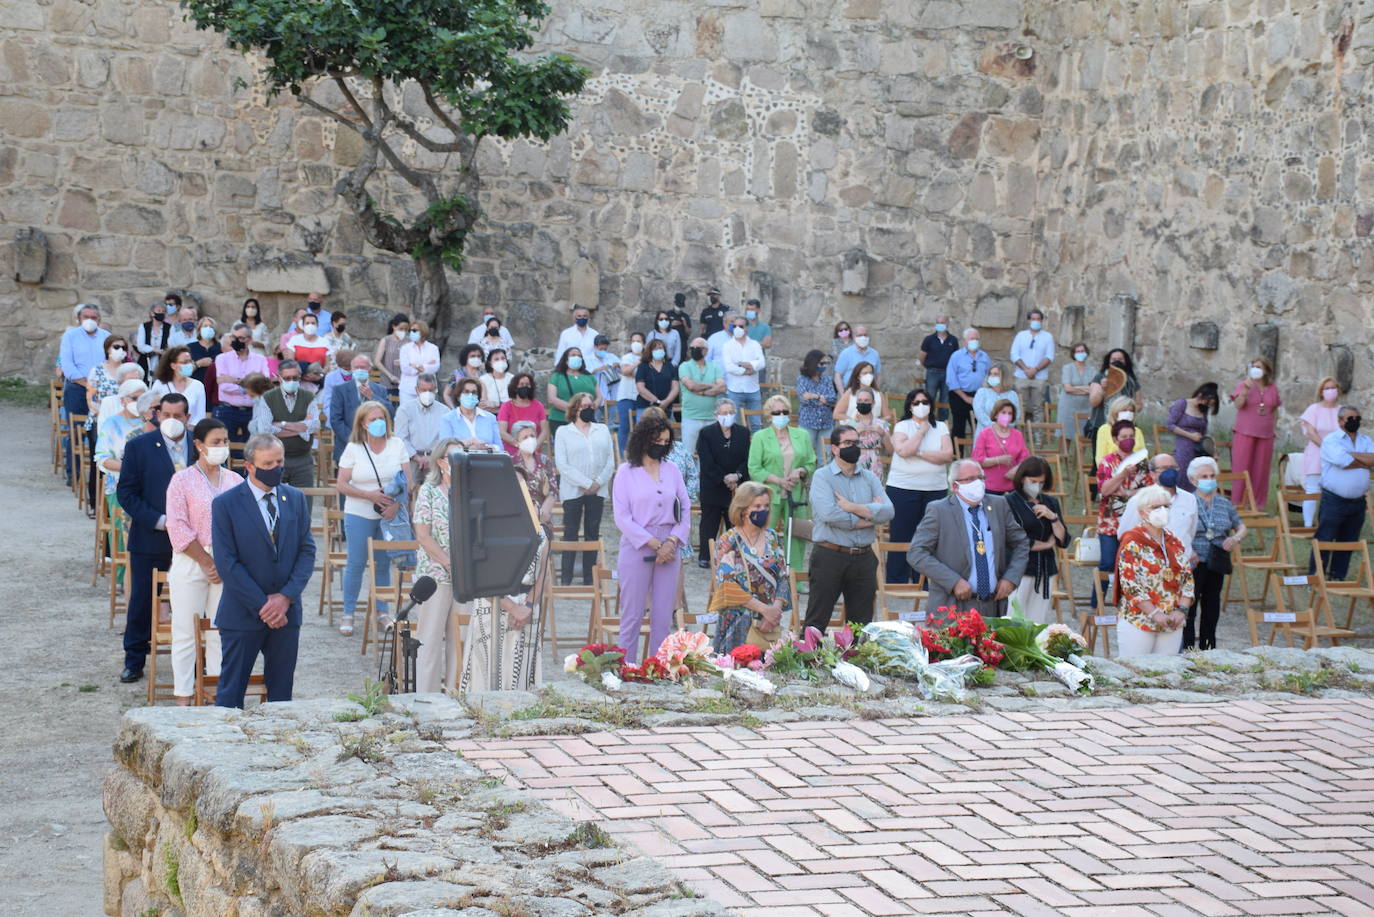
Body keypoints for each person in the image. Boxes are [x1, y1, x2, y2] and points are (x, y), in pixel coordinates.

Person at [210, 433, 315, 706]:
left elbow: (307, 551)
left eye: (279, 462)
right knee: (231, 693)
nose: (276, 469)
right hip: (242, 614)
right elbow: (227, 562)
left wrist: (285, 598)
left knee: (282, 696)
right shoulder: (226, 504)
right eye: (268, 464)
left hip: (286, 614)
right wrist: (263, 605)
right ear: (249, 466)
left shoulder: (295, 498)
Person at [115, 392, 193, 682]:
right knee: (143, 600)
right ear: (158, 414)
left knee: (193, 597)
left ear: (187, 417)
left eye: (178, 416)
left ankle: (197, 659)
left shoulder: (200, 444)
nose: (172, 421)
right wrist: (160, 521)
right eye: (166, 415)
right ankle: (134, 659)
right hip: (152, 535)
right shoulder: (139, 446)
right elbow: (127, 493)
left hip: (194, 538)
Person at [164, 419, 239, 704]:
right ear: (198, 445)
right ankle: (184, 697)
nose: (222, 447)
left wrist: (225, 561)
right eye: (216, 442)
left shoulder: (234, 480)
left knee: (222, 630)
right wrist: (207, 562)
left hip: (227, 561)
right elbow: (178, 526)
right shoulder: (181, 480)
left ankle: (220, 694)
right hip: (191, 559)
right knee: (185, 630)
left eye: (225, 441)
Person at [611, 413, 691, 662]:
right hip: (638, 545)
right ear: (644, 440)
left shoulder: (673, 470)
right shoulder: (626, 472)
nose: (661, 446)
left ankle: (659, 666)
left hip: (670, 545)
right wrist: (653, 543)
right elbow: (622, 516)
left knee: (663, 613)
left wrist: (671, 541)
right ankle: (626, 666)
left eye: (666, 442)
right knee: (633, 613)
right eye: (657, 441)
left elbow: (685, 509)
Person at [908, 459, 1030, 616]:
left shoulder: (999, 505)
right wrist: (953, 581)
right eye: (971, 479)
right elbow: (916, 553)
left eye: (981, 477)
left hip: (992, 606)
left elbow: (1021, 543)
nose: (978, 483)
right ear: (955, 486)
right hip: (952, 606)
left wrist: (1011, 578)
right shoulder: (938, 510)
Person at [456, 492, 551, 694]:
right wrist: (512, 607)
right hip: (493, 603)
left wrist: (526, 607)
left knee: (522, 669)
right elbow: (481, 577)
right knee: (488, 667)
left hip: (527, 605)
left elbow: (541, 574)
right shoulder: (487, 529)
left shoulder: (541, 533)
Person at [803, 426, 895, 631]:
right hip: (830, 555)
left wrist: (853, 508)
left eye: (856, 443)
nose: (853, 447)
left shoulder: (869, 478)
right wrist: (867, 517)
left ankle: (856, 662)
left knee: (861, 625)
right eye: (847, 443)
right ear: (835, 448)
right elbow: (829, 514)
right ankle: (809, 662)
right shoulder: (822, 476)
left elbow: (888, 511)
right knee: (817, 621)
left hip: (863, 557)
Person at [335, 401, 411, 636]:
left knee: (383, 563)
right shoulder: (354, 448)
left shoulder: (397, 444)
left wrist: (395, 505)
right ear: (363, 424)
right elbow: (342, 484)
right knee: (356, 563)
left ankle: (382, 611)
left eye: (382, 418)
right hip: (359, 511)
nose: (379, 423)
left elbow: (409, 480)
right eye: (373, 419)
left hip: (389, 513)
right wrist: (368, 495)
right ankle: (348, 613)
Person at [711, 481, 792, 653]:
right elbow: (726, 585)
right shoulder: (729, 540)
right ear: (743, 509)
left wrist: (774, 612)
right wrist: (764, 610)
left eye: (766, 506)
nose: (763, 510)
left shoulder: (772, 538)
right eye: (757, 506)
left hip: (768, 626)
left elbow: (783, 577)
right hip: (737, 624)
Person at [411, 436, 465, 694]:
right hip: (435, 576)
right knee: (430, 640)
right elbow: (423, 535)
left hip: (466, 577)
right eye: (456, 456)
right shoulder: (428, 491)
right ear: (442, 462)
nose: (461, 461)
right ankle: (427, 698)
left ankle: (458, 694)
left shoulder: (470, 491)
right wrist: (447, 562)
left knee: (461, 640)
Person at [1114, 484, 1192, 656]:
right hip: (1139, 620)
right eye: (1156, 507)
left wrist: (1182, 610)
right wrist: (1155, 614)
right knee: (1134, 675)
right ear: (1143, 512)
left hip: (1172, 620)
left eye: (1166, 506)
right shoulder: (1133, 542)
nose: (1162, 510)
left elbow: (1187, 579)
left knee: (1167, 675)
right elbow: (1131, 585)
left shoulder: (1174, 541)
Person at [886, 389, 953, 584]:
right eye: (916, 402)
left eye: (925, 402)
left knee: (929, 536)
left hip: (935, 488)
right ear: (909, 406)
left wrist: (921, 452)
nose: (921, 406)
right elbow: (904, 451)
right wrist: (922, 432)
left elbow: (947, 456)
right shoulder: (902, 426)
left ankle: (923, 580)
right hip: (903, 487)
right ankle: (896, 579)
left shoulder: (941, 427)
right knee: (901, 534)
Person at [749, 394, 817, 567]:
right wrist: (779, 481)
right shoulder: (760, 437)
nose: (781, 416)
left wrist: (801, 471)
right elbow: (754, 468)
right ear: (769, 415)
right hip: (769, 494)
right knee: (764, 534)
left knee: (797, 535)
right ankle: (763, 575)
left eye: (784, 412)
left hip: (796, 494)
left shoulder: (801, 435)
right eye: (776, 412)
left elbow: (811, 462)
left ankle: (795, 577)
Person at [1184, 457, 1246, 650]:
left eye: (1212, 475)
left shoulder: (1224, 503)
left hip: (1217, 560)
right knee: (1190, 604)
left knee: (1212, 605)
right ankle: (1187, 646)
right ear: (1194, 480)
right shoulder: (1187, 502)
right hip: (1194, 561)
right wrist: (1188, 549)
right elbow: (1178, 531)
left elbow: (1241, 527)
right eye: (1204, 476)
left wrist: (1234, 539)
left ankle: (1208, 645)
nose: (1209, 479)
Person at [554, 392, 615, 585]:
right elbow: (563, 465)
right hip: (573, 490)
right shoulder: (563, 432)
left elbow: (610, 461)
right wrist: (586, 483)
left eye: (591, 406)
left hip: (598, 489)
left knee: (592, 531)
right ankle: (566, 577)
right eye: (584, 406)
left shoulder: (602, 429)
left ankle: (590, 576)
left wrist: (597, 483)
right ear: (575, 409)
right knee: (570, 532)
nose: (589, 409)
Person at [1310, 405, 1374, 580]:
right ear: (1340, 421)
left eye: (1357, 419)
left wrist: (1352, 455)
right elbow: (1341, 461)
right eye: (1350, 418)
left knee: (1348, 542)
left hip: (1358, 502)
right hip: (1334, 500)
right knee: (1324, 539)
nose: (1355, 422)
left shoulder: (1366, 440)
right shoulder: (1331, 440)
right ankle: (1315, 577)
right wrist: (1364, 460)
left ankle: (1338, 577)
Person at [1095, 419, 1154, 606]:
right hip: (1110, 522)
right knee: (1107, 563)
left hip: (1136, 522)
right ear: (1115, 439)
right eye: (1124, 437)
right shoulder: (1107, 462)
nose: (1128, 440)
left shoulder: (1142, 463)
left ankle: (1127, 600)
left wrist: (1128, 493)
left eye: (1131, 436)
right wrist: (1122, 475)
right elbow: (1104, 490)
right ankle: (1097, 601)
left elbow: (1150, 490)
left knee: (1132, 563)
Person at [1005, 457, 1068, 624]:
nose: (1037, 486)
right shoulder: (1009, 501)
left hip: (1045, 569)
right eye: (1033, 481)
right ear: (1022, 478)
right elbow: (1015, 540)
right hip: (1019, 570)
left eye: (1041, 482)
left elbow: (1063, 539)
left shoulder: (1050, 502)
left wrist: (1052, 517)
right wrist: (1046, 545)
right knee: (1013, 620)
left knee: (1037, 622)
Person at [95, 379, 150, 569]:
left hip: (149, 485)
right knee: (121, 530)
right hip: (119, 483)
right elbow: (102, 458)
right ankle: (121, 576)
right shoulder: (112, 423)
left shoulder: (150, 422)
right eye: (135, 398)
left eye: (144, 398)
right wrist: (128, 469)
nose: (140, 402)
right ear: (124, 400)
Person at [60, 304, 111, 490]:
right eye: (86, 316)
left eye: (94, 317)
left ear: (99, 319)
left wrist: (97, 385)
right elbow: (67, 364)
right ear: (79, 319)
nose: (90, 319)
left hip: (101, 391)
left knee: (99, 433)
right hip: (77, 389)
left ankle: (99, 475)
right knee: (77, 432)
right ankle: (73, 473)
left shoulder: (106, 337)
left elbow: (109, 361)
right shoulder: (70, 336)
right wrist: (86, 383)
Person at [697, 397, 752, 569]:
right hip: (713, 485)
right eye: (724, 413)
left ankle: (733, 555)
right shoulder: (706, 433)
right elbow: (706, 461)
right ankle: (706, 555)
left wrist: (737, 476)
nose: (727, 416)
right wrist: (724, 478)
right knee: (709, 522)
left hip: (736, 487)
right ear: (716, 415)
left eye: (731, 412)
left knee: (734, 522)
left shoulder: (743, 432)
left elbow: (747, 459)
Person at [249, 360, 317, 493]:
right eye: (287, 378)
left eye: (295, 378)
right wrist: (300, 427)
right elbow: (265, 430)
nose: (291, 381)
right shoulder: (268, 398)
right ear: (279, 378)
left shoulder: (309, 397)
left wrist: (282, 424)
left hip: (303, 460)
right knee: (275, 505)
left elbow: (313, 426)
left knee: (304, 505)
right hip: (274, 461)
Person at [1119, 454, 1199, 556]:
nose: (1170, 472)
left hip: (1182, 564)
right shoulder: (1139, 500)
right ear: (1152, 474)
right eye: (1164, 468)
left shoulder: (1189, 499)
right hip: (1151, 564)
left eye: (1173, 468)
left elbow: (1191, 532)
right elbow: (1125, 533)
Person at [1230, 356, 1281, 511]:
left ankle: (1258, 504)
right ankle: (1238, 502)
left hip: (1265, 433)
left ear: (1266, 370)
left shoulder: (1272, 387)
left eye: (1259, 366)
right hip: (1245, 431)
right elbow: (1238, 405)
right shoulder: (1243, 384)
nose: (1256, 369)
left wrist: (1275, 427)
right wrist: (1245, 390)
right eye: (1254, 366)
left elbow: (1275, 409)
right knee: (1242, 467)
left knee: (1261, 469)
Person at [329, 355, 393, 465]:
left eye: (362, 367)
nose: (359, 370)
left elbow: (391, 413)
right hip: (348, 445)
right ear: (352, 369)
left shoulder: (380, 390)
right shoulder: (340, 390)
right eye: (356, 367)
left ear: (370, 369)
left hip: (376, 445)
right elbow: (336, 420)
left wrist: (373, 397)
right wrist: (355, 440)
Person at [213, 323, 269, 443]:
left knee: (255, 447)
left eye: (241, 338)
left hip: (253, 410)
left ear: (250, 340)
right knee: (225, 449)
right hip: (228, 410)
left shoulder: (260, 359)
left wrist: (236, 381)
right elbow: (224, 386)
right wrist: (251, 385)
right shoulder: (222, 358)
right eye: (234, 337)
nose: (236, 341)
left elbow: (263, 385)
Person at [1298, 377, 1343, 526]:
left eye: (1333, 387)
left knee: (1334, 491)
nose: (1330, 391)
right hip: (1317, 453)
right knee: (1312, 489)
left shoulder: (1341, 411)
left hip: (1336, 455)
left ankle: (1328, 523)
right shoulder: (1314, 409)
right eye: (1327, 388)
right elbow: (1311, 432)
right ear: (1321, 391)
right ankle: (1308, 524)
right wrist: (1326, 448)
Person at [395, 373, 451, 486]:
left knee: (436, 493)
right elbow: (400, 437)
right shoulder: (405, 410)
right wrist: (417, 457)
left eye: (430, 390)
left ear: (436, 390)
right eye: (423, 390)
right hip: (411, 460)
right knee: (410, 493)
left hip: (436, 459)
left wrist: (432, 458)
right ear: (417, 390)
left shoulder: (445, 411)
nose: (427, 393)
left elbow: (446, 439)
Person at [1165, 382, 1219, 493]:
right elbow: (1170, 424)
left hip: (1199, 448)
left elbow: (1204, 431)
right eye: (1207, 402)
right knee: (1182, 472)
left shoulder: (1203, 410)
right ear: (1201, 395)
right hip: (1184, 444)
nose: (1207, 405)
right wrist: (1190, 435)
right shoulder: (1182, 404)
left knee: (1197, 473)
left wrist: (1209, 442)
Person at [678, 336, 725, 454]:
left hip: (711, 418)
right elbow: (691, 386)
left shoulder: (714, 367)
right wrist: (711, 385)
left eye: (697, 348)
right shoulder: (685, 366)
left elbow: (722, 387)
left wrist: (702, 391)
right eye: (692, 348)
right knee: (688, 453)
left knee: (711, 452)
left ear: (706, 351)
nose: (694, 350)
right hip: (691, 417)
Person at [973, 398, 1030, 495]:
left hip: (1013, 486)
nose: (1006, 416)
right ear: (996, 414)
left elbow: (1025, 458)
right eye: (1003, 412)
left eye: (1010, 413)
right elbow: (977, 460)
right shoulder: (984, 434)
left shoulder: (1017, 434)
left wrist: (1017, 470)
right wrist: (998, 460)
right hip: (990, 487)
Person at [1009, 309, 1054, 424]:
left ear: (1042, 321)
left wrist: (1035, 370)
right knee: (1020, 407)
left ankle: (1037, 438)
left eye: (1038, 319)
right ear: (1029, 320)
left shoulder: (1048, 337)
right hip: (1021, 376)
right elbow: (1014, 354)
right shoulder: (1021, 335)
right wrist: (1025, 369)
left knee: (1038, 408)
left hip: (1039, 377)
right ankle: (1020, 435)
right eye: (1033, 319)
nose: (1036, 321)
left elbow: (1049, 357)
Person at [1088, 348, 1143, 442]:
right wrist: (1103, 389)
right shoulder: (1100, 377)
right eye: (1113, 359)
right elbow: (1093, 402)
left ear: (1126, 361)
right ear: (1108, 362)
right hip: (1101, 424)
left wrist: (1126, 412)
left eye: (1120, 359)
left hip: (1126, 428)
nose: (1117, 361)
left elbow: (1139, 404)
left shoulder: (1132, 380)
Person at [945, 327, 990, 442]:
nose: (974, 341)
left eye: (977, 339)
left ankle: (979, 454)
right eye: (971, 339)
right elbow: (951, 379)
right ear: (965, 341)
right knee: (959, 427)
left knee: (979, 425)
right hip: (959, 395)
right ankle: (958, 454)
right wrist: (965, 397)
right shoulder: (956, 356)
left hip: (978, 395)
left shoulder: (984, 357)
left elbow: (989, 375)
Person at [511, 421, 559, 525]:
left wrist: (543, 512)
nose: (530, 440)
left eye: (532, 436)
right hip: (518, 518)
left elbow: (553, 490)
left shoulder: (545, 460)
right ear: (516, 442)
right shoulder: (510, 464)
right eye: (525, 437)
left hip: (543, 518)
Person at [722, 314, 766, 428]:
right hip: (734, 389)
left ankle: (756, 445)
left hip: (753, 389)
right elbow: (729, 367)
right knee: (733, 423)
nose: (737, 329)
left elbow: (762, 363)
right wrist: (747, 371)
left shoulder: (755, 344)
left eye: (740, 326)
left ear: (747, 328)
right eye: (735, 326)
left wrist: (748, 364)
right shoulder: (727, 346)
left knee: (756, 423)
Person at [438, 377, 503, 452]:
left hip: (487, 461)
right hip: (460, 462)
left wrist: (485, 447)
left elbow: (500, 447)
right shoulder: (448, 419)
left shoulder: (490, 418)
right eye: (466, 392)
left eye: (474, 392)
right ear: (459, 396)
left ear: (478, 396)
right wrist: (468, 444)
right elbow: (444, 448)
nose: (470, 395)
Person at [796, 349, 838, 459]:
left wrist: (815, 396)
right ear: (813, 363)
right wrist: (821, 398)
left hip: (826, 423)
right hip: (808, 423)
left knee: (826, 456)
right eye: (822, 363)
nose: (824, 366)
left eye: (826, 363)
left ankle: (822, 476)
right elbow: (804, 399)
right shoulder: (802, 379)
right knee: (805, 455)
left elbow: (833, 398)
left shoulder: (827, 380)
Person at [546, 346, 598, 436]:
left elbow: (599, 396)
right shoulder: (557, 376)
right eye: (573, 355)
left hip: (587, 420)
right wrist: (575, 409)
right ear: (566, 359)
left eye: (579, 356)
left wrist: (594, 405)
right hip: (561, 420)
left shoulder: (590, 377)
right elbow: (552, 398)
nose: (576, 357)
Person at [150, 346, 208, 424]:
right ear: (173, 365)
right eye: (185, 362)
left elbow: (200, 415)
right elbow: (153, 410)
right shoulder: (159, 384)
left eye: (190, 361)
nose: (189, 365)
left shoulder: (198, 385)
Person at [498, 373, 549, 456]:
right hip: (512, 453)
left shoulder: (538, 405)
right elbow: (502, 432)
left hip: (533, 452)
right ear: (515, 387)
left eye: (527, 384)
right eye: (521, 384)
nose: (524, 387)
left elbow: (544, 431)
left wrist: (536, 445)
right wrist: (519, 445)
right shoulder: (506, 406)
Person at [919, 316, 959, 421]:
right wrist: (929, 367)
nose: (940, 324)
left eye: (943, 322)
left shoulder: (953, 340)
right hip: (932, 373)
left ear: (947, 324)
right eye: (938, 322)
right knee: (929, 398)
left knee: (945, 400)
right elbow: (922, 357)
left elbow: (956, 358)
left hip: (948, 374)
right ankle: (929, 420)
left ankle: (942, 423)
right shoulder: (928, 339)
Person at [614, 333, 646, 452]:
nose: (636, 344)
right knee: (625, 428)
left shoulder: (648, 359)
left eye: (639, 341)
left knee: (641, 429)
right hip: (626, 396)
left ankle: (638, 455)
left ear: (644, 344)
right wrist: (638, 362)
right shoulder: (627, 357)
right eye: (633, 341)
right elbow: (625, 371)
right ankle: (621, 457)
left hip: (642, 397)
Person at [849, 389, 891, 481]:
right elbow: (843, 448)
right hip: (854, 464)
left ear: (873, 403)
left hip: (875, 465)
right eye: (859, 401)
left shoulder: (882, 424)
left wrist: (882, 433)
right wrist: (855, 433)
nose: (863, 403)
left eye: (866, 400)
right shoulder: (849, 424)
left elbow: (891, 450)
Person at [399, 320, 441, 405]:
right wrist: (426, 366)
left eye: (414, 330)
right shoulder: (405, 348)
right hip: (408, 389)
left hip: (428, 389)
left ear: (422, 331)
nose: (411, 332)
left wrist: (415, 366)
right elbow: (405, 368)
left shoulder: (433, 348)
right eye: (410, 330)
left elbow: (435, 367)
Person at [972, 362, 1020, 437]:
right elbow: (980, 414)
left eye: (995, 374)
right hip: (985, 435)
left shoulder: (1012, 395)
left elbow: (1016, 415)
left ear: (1004, 377)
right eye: (990, 374)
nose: (992, 376)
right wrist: (996, 428)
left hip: (1006, 435)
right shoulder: (982, 392)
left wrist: (1005, 427)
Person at [1058, 342, 1094, 440]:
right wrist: (1085, 389)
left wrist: (1077, 388)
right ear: (1073, 354)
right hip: (1068, 407)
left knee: (1082, 436)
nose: (1080, 353)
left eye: (1082, 351)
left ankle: (1077, 456)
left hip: (1085, 407)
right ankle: (1063, 455)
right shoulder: (1068, 368)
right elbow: (1067, 388)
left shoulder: (1092, 369)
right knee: (1066, 436)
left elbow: (1093, 388)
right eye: (1077, 351)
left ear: (1086, 352)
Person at [635, 338, 679, 417]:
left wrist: (666, 401)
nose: (658, 350)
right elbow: (640, 388)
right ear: (650, 351)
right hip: (646, 407)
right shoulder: (643, 366)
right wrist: (657, 401)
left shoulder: (670, 366)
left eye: (660, 348)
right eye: (655, 349)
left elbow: (675, 387)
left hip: (666, 408)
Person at [833, 325, 882, 394]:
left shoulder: (874, 354)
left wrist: (876, 392)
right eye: (860, 335)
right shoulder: (846, 353)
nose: (863, 337)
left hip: (869, 393)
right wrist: (843, 394)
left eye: (865, 335)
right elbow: (837, 376)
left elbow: (878, 375)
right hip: (850, 392)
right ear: (854, 336)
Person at [1093, 395, 1139, 465]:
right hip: (1112, 470)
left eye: (1131, 411)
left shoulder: (1137, 431)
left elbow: (1143, 455)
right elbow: (1100, 458)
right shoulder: (1104, 430)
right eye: (1124, 410)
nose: (1128, 413)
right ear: (1115, 412)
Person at [373, 313, 410, 399]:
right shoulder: (386, 340)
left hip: (404, 384)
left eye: (406, 329)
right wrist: (390, 376)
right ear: (394, 326)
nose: (403, 331)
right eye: (401, 329)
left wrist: (404, 362)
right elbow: (377, 361)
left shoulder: (409, 342)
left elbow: (414, 361)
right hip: (386, 382)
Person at [134, 301, 171, 377]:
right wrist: (154, 350)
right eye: (159, 311)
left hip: (163, 361)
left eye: (163, 311)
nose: (161, 313)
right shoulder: (144, 326)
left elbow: (171, 344)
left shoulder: (170, 327)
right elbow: (140, 346)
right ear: (152, 313)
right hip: (146, 360)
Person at [743, 299, 772, 383]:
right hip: (744, 361)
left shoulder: (765, 327)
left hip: (758, 362)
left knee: (759, 389)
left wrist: (748, 342)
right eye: (747, 309)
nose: (749, 312)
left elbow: (767, 344)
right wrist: (759, 343)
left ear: (758, 310)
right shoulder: (742, 325)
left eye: (752, 309)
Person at [187, 317, 221, 384]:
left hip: (215, 386)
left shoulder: (220, 347)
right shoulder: (190, 347)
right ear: (199, 330)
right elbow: (184, 371)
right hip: (196, 385)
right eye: (205, 326)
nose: (208, 328)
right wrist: (198, 363)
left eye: (211, 327)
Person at [666, 292, 693, 361]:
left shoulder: (685, 316)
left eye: (680, 306)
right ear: (674, 303)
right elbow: (662, 329)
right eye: (678, 306)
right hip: (670, 343)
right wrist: (671, 325)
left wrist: (685, 325)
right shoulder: (668, 314)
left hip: (682, 343)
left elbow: (689, 333)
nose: (679, 308)